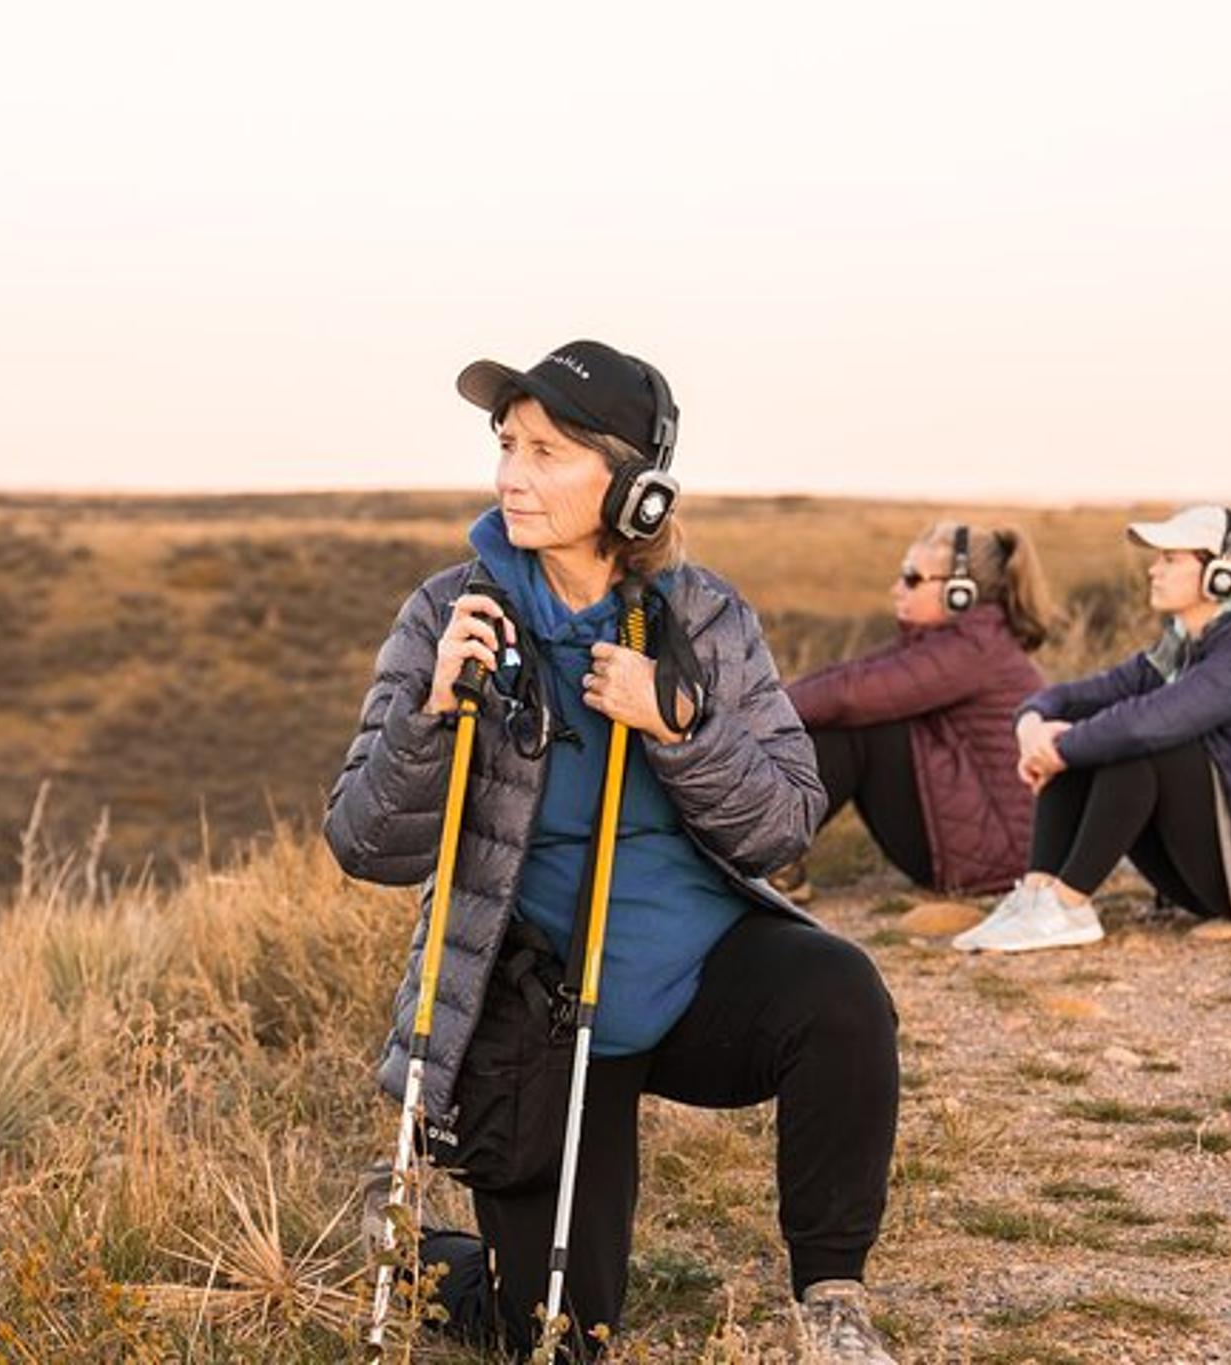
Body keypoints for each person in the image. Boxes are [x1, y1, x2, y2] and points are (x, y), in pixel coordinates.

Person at [325, 340, 900, 1362]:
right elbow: (363, 844)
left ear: (633, 488)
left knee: (838, 992)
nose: (510, 474)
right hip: (546, 1020)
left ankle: (829, 1299)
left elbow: (782, 824)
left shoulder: (704, 617)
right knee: (557, 1337)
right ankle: (419, 1250)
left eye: (546, 452)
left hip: (693, 984)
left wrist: (677, 729)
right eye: (506, 445)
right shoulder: (445, 613)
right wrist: (427, 714)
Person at [957, 505, 1231, 953]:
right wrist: (1032, 726)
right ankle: (1040, 897)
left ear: (1223, 574)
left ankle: (1068, 905)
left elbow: (1153, 723)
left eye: (1170, 559)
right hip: (1224, 873)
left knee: (1138, 743)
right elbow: (1082, 695)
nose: (1153, 570)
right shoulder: (1185, 642)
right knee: (1091, 729)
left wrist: (1060, 748)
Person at [774, 522, 1055, 901]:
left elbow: (850, 695)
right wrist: (765, 706)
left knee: (857, 725)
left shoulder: (974, 648)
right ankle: (769, 855)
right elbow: (850, 677)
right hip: (986, 839)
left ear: (960, 593)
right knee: (843, 711)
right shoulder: (954, 641)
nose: (896, 588)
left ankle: (768, 857)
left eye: (911, 578)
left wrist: (756, 716)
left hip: (999, 854)